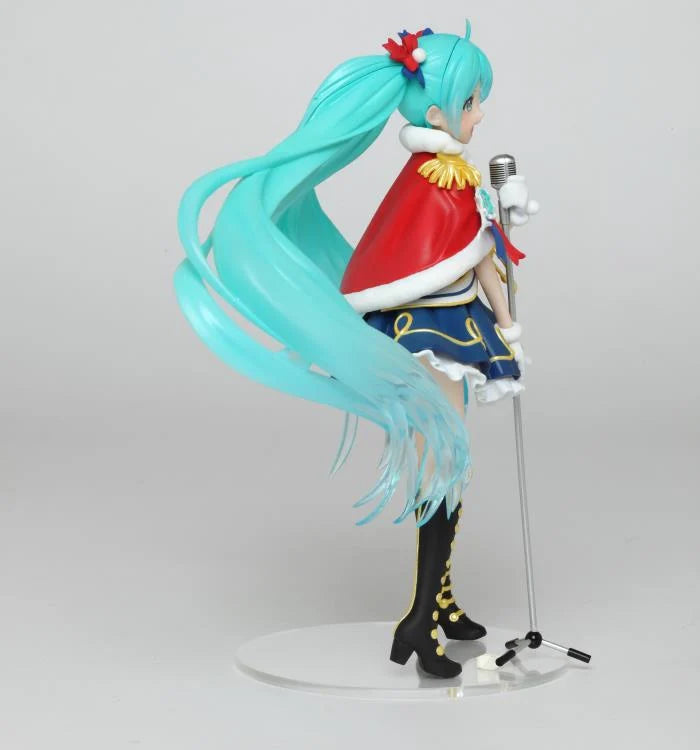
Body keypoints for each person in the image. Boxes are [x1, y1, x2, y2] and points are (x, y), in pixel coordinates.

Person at [174, 22, 537, 678]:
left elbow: (478, 251)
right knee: (445, 462)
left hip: (451, 324)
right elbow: (474, 255)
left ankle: (440, 602)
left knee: (448, 462)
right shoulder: (438, 181)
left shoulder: (447, 177)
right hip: (432, 334)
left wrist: (502, 284)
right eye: (470, 102)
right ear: (436, 115)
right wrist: (505, 311)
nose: (480, 114)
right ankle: (420, 619)